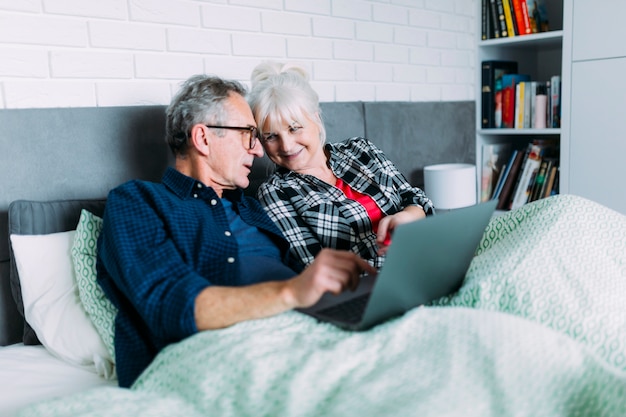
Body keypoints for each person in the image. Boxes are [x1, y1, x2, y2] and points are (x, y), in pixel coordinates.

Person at [96, 74, 376, 388]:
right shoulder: (137, 202)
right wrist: (292, 292)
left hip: (312, 339)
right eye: (247, 134)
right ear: (203, 139)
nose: (258, 151)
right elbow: (170, 306)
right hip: (224, 362)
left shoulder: (252, 209)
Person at [248, 61, 435, 270]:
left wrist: (407, 216)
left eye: (294, 128)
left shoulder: (361, 149)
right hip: (375, 286)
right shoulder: (275, 193)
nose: (287, 145)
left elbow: (416, 199)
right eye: (271, 136)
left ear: (316, 119)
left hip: (428, 255)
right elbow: (316, 270)